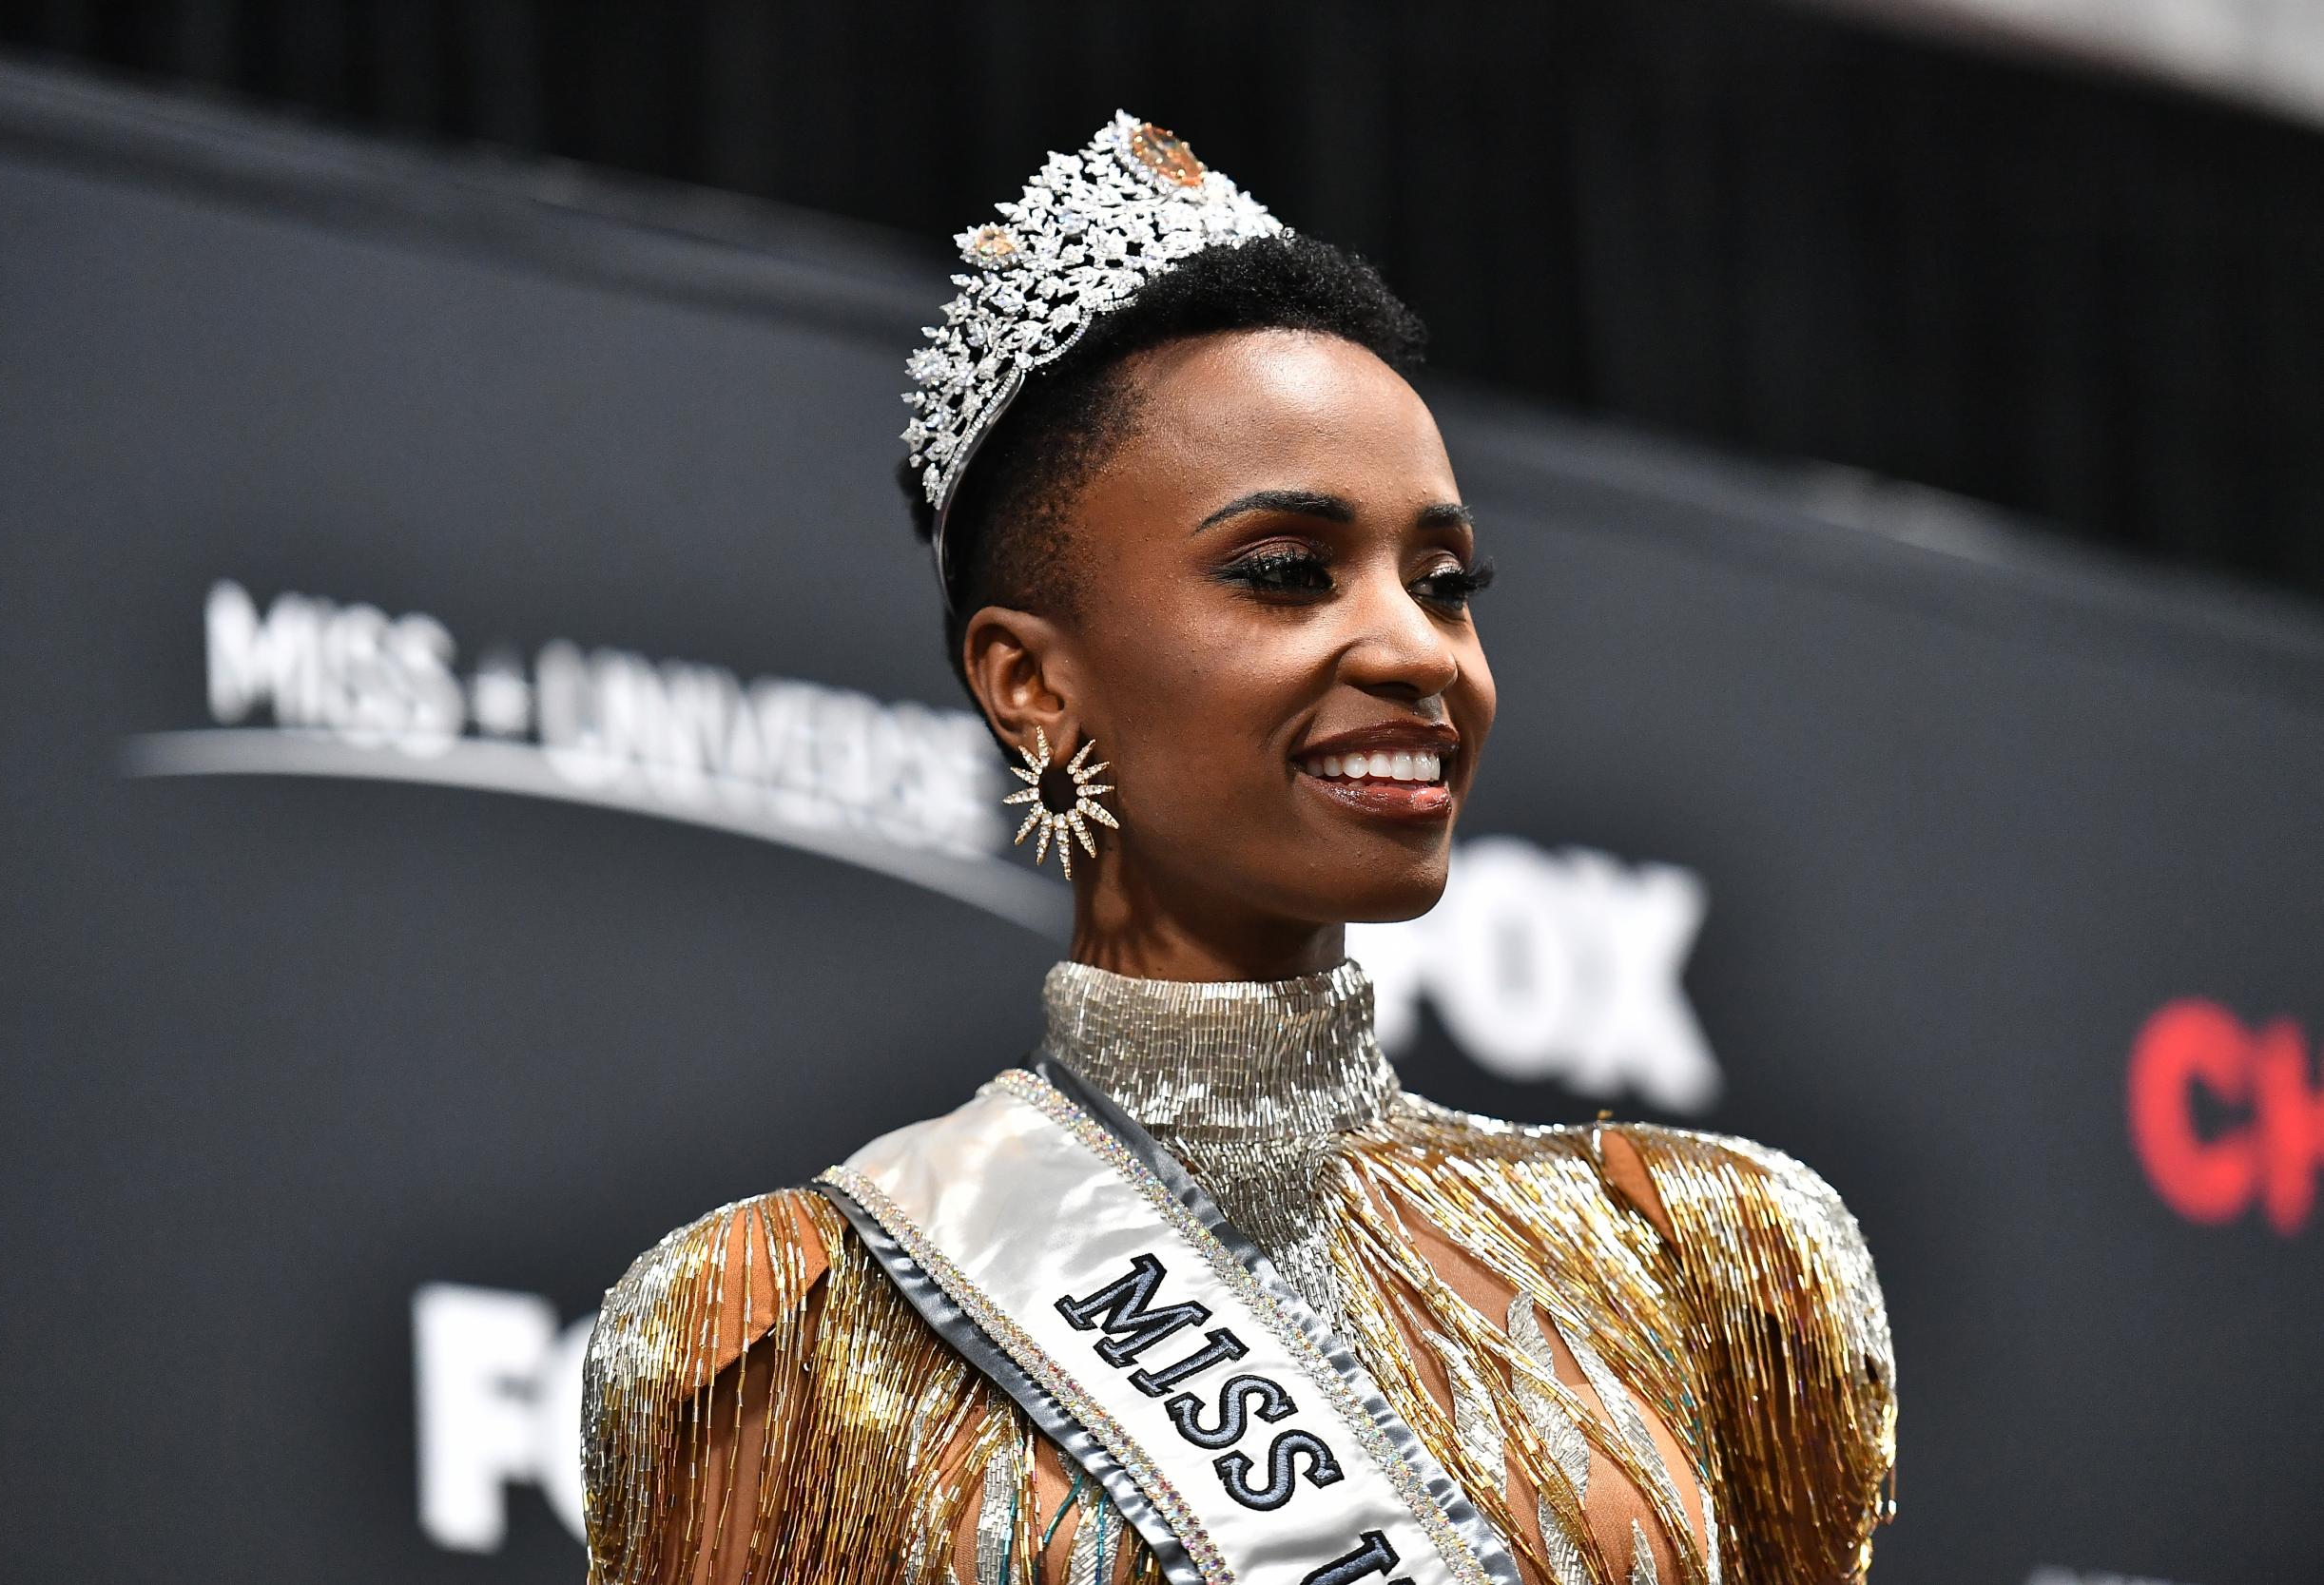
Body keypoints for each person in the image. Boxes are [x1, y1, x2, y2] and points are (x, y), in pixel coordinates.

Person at [581, 114, 1895, 1585]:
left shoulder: (1704, 1262)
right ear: (1032, 682)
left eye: (1446, 581)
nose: (1416, 649)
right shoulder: (789, 1328)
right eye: (1286, 573)